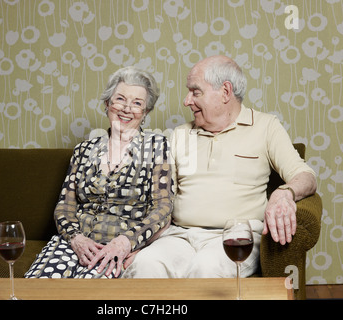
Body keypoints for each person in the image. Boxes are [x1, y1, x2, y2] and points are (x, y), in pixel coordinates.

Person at [122, 55, 317, 279]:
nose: (186, 101)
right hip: (179, 236)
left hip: (235, 236)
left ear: (225, 92)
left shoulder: (266, 127)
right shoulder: (180, 134)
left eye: (196, 92)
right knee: (145, 265)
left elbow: (306, 176)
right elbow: (161, 199)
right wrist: (140, 241)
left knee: (206, 269)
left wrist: (284, 194)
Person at [25, 66, 173, 279]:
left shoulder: (157, 146)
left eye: (137, 103)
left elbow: (163, 207)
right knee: (38, 286)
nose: (127, 108)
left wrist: (127, 243)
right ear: (107, 103)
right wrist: (76, 239)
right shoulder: (84, 150)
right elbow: (65, 206)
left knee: (88, 292)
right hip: (76, 243)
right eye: (120, 99)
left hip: (118, 246)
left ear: (146, 112)